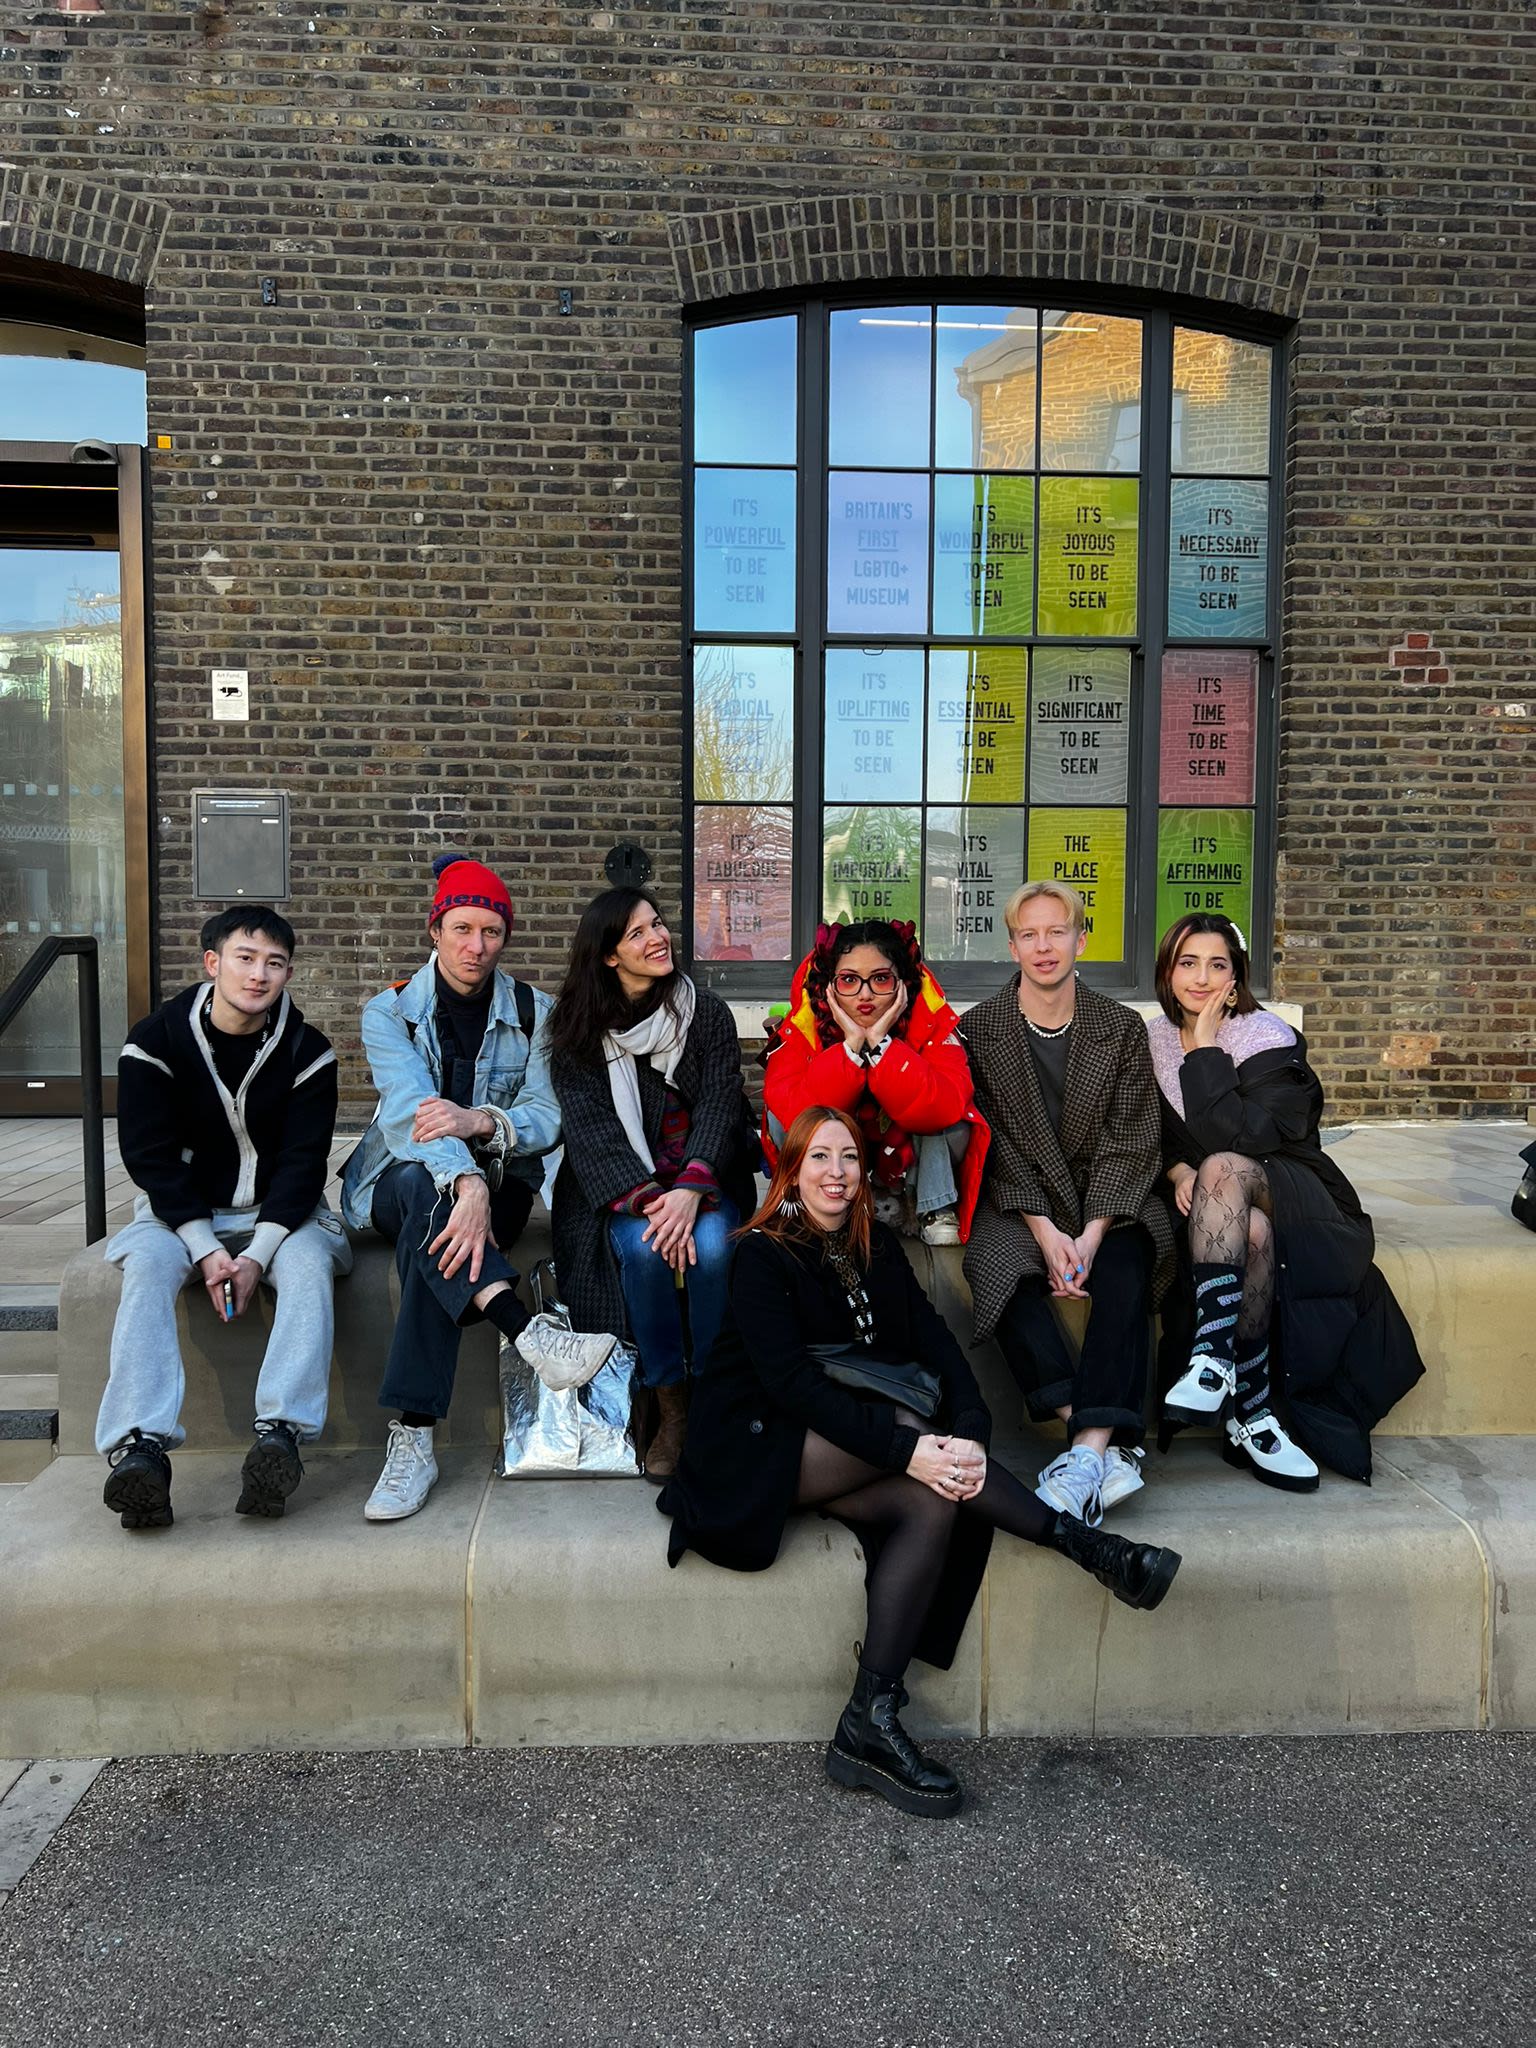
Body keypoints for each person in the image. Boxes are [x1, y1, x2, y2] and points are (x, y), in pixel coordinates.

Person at [660, 1105, 1181, 1818]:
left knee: (936, 1496)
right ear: (790, 1169)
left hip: (840, 1442)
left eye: (848, 1158)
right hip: (754, 1446)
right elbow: (792, 1386)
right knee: (908, 1431)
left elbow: (938, 1345)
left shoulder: (876, 1250)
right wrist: (911, 1448)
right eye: (818, 1158)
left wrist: (967, 1429)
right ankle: (1083, 1543)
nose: (836, 1174)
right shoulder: (763, 1253)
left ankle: (866, 1720)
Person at [342, 853, 601, 1524]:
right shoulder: (390, 1013)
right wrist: (465, 1180)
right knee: (422, 1193)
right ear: (435, 929)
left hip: (500, 1185)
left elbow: (548, 1118)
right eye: (461, 928)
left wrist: (480, 1122)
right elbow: (406, 1112)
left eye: (490, 932)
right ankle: (527, 1331)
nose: (475, 946)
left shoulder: (536, 1012)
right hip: (406, 1180)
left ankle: (414, 1444)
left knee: (429, 1246)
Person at [96, 905, 352, 1528]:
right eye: (245, 958)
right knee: (148, 1267)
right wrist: (207, 1247)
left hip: (281, 1214)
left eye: (275, 963)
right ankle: (141, 1450)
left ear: (289, 973)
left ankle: (280, 1438)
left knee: (310, 1263)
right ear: (212, 963)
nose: (259, 974)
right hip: (180, 1214)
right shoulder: (153, 1043)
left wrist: (255, 1252)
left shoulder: (308, 1051)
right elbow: (148, 1156)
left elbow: (302, 1164)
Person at [1149, 913, 1424, 1486]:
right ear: (1167, 970)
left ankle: (1210, 1360)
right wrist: (1177, 1169)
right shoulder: (1151, 1040)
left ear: (1237, 973)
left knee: (1224, 1167)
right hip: (1220, 1210)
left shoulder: (1264, 1036)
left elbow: (1243, 1138)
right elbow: (1149, 1134)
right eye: (1187, 963)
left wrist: (1204, 1048)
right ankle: (1250, 1408)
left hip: (1293, 1189)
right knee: (1249, 1232)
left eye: (1217, 964)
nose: (1201, 979)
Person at [957, 882, 1172, 1526]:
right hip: (1025, 1200)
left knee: (1131, 1263)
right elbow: (992, 1142)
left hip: (1110, 1196)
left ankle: (1083, 1453)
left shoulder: (1121, 1028)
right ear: (1013, 943)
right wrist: (1048, 1233)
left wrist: (1093, 1233)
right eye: (1029, 933)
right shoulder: (979, 1030)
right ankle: (1100, 1434)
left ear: (1082, 940)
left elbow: (1132, 1137)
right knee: (993, 1269)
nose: (1043, 947)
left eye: (1057, 932)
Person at [548, 888, 758, 1483]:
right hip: (620, 1192)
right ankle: (672, 1408)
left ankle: (715, 1396)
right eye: (637, 933)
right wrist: (650, 1203)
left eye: (658, 924)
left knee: (715, 1247)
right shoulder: (577, 1031)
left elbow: (720, 1102)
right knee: (645, 1250)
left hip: (703, 1180)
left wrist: (690, 1188)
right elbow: (591, 1132)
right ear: (610, 956)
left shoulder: (706, 1013)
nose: (657, 937)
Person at [761, 919, 989, 1246]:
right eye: (849, 980)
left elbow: (945, 1105)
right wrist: (850, 1048)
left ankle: (932, 1206)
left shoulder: (930, 1019)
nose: (865, 994)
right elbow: (795, 1115)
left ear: (902, 983)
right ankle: (816, 1205)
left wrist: (883, 1044)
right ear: (829, 984)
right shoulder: (804, 1024)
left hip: (909, 1152)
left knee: (953, 1119)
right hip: (845, 1151)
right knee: (782, 1121)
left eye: (880, 979)